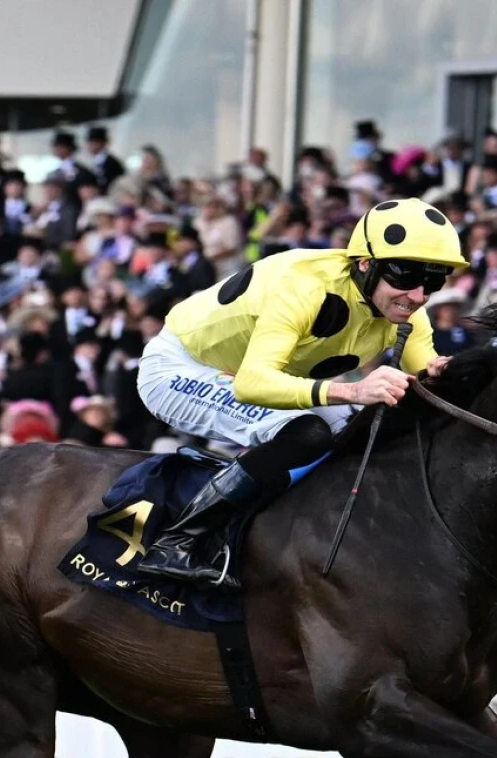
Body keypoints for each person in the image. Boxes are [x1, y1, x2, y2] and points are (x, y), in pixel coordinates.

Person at [133, 197, 469, 584]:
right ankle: (177, 543)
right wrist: (353, 391)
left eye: (433, 281)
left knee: (363, 432)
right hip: (183, 368)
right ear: (366, 264)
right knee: (308, 432)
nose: (418, 295)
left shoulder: (404, 308)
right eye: (405, 277)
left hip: (257, 374)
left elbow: (427, 375)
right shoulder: (305, 285)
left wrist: (449, 372)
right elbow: (252, 383)